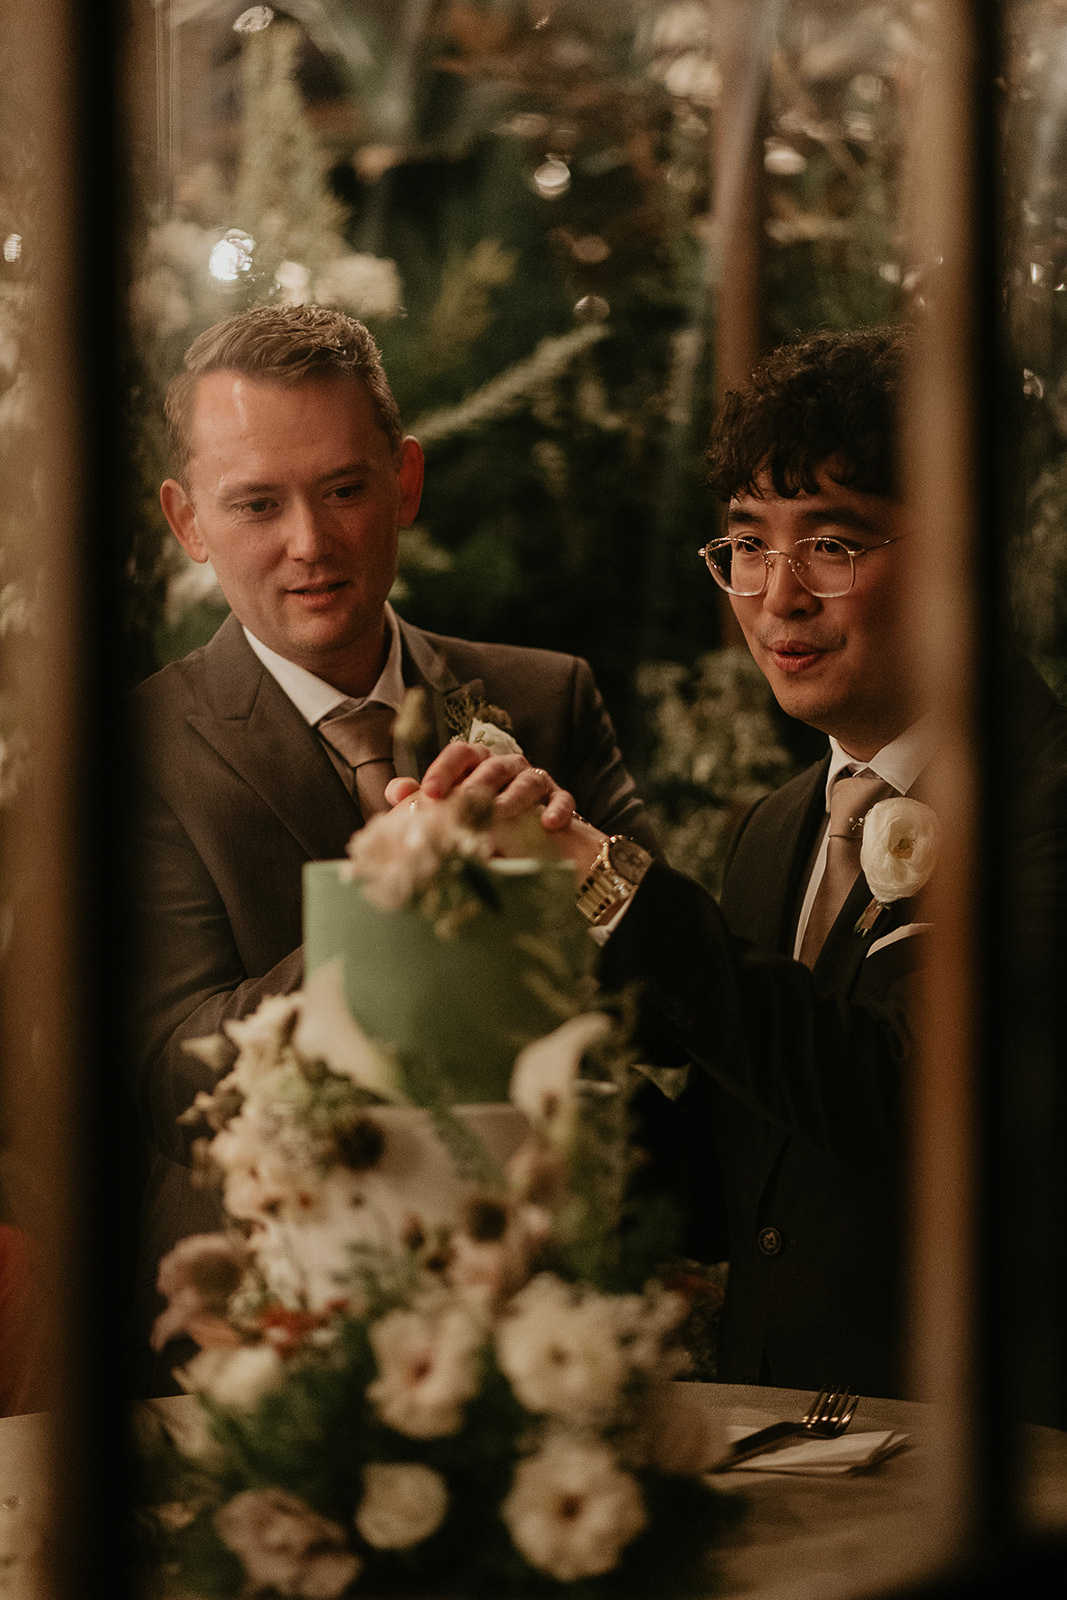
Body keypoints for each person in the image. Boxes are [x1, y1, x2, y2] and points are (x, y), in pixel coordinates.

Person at [404, 327, 1067, 1402]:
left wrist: (606, 877)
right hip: (783, 1448)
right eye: (747, 545)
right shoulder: (776, 828)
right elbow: (740, 1180)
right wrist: (489, 1043)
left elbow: (911, 1104)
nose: (775, 596)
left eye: (830, 544)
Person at [133, 304, 655, 1358]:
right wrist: (387, 910)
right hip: (262, 1330)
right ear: (188, 523)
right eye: (256, 504)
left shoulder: (545, 700)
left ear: (404, 481)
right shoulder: (135, 751)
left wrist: (573, 877)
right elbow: (171, 1071)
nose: (310, 543)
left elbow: (665, 1009)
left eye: (343, 490)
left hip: (541, 1313)